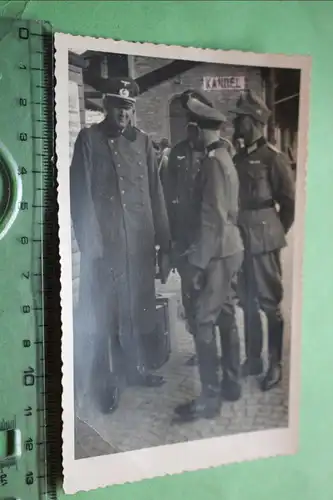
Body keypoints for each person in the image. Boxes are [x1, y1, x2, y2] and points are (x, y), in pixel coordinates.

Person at [70, 76, 171, 415]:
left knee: (136, 310)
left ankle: (136, 370)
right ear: (106, 107)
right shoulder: (89, 139)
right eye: (117, 107)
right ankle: (107, 382)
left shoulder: (143, 143)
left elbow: (155, 195)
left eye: (128, 108)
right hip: (106, 248)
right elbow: (80, 196)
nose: (123, 114)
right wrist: (92, 245)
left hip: (139, 246)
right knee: (106, 315)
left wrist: (164, 245)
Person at [168, 90, 244, 422]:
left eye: (190, 130)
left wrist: (197, 264)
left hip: (215, 254)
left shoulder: (213, 163)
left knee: (203, 322)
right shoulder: (225, 158)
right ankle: (231, 383)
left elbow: (211, 217)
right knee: (226, 315)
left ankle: (209, 399)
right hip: (230, 249)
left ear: (198, 130)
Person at [230, 89, 295, 391]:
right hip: (241, 239)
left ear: (253, 121)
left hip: (264, 240)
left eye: (240, 119)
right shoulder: (238, 157)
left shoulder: (273, 158)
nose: (235, 125)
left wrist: (273, 232)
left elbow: (289, 202)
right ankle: (253, 359)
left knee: (270, 304)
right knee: (248, 301)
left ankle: (274, 364)